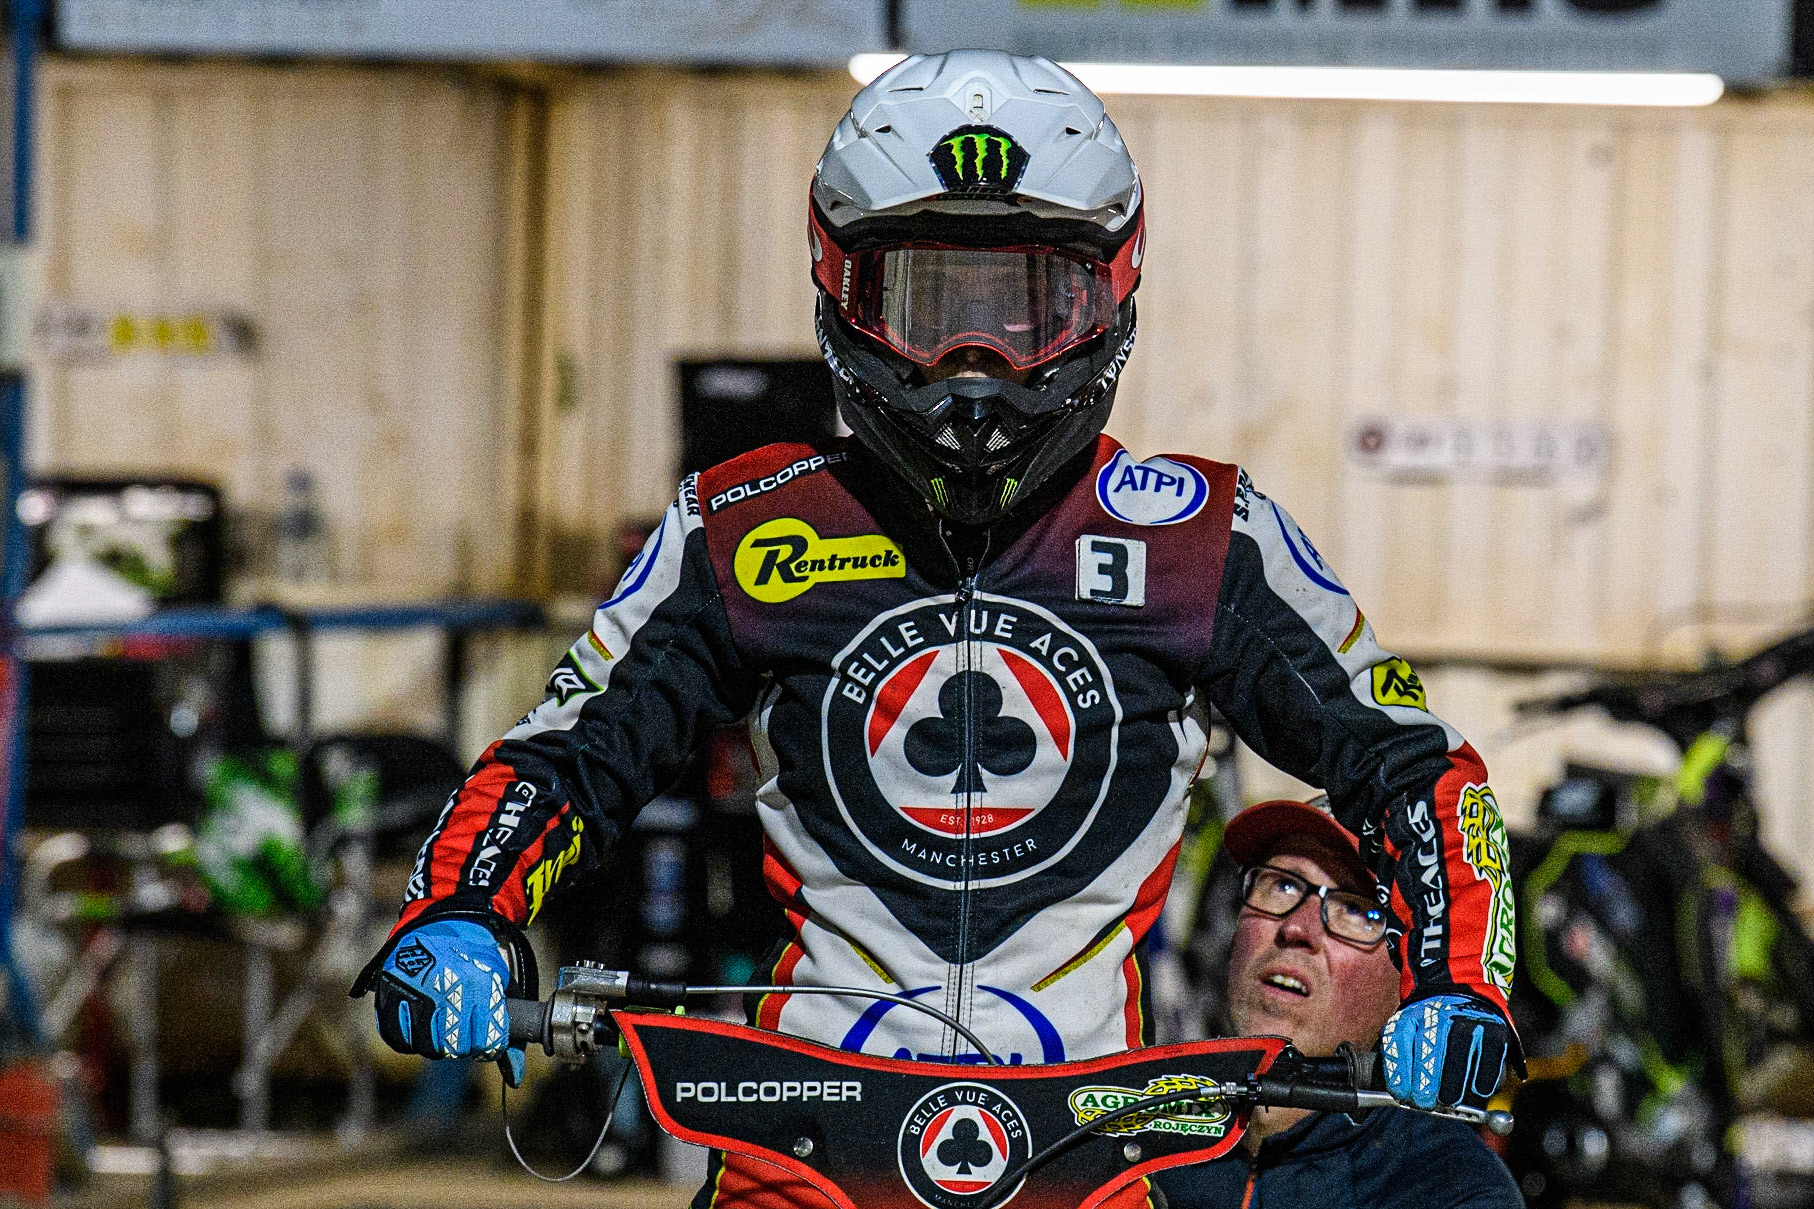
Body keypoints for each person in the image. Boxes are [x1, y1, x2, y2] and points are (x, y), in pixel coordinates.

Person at [353, 50, 1517, 1207]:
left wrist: (1463, 986)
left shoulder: (1202, 537)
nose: (976, 364)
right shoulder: (743, 522)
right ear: (840, 293)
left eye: (1026, 309)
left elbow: (1414, 766)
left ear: (1110, 295)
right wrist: (458, 909)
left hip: (1089, 1156)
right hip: (796, 1150)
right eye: (926, 305)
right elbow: (569, 749)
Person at [1157, 799, 1523, 1209]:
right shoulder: (1139, 1124)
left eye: (1354, 908)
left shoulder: (1452, 1192)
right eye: (1282, 885)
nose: (1297, 927)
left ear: (1408, 974)